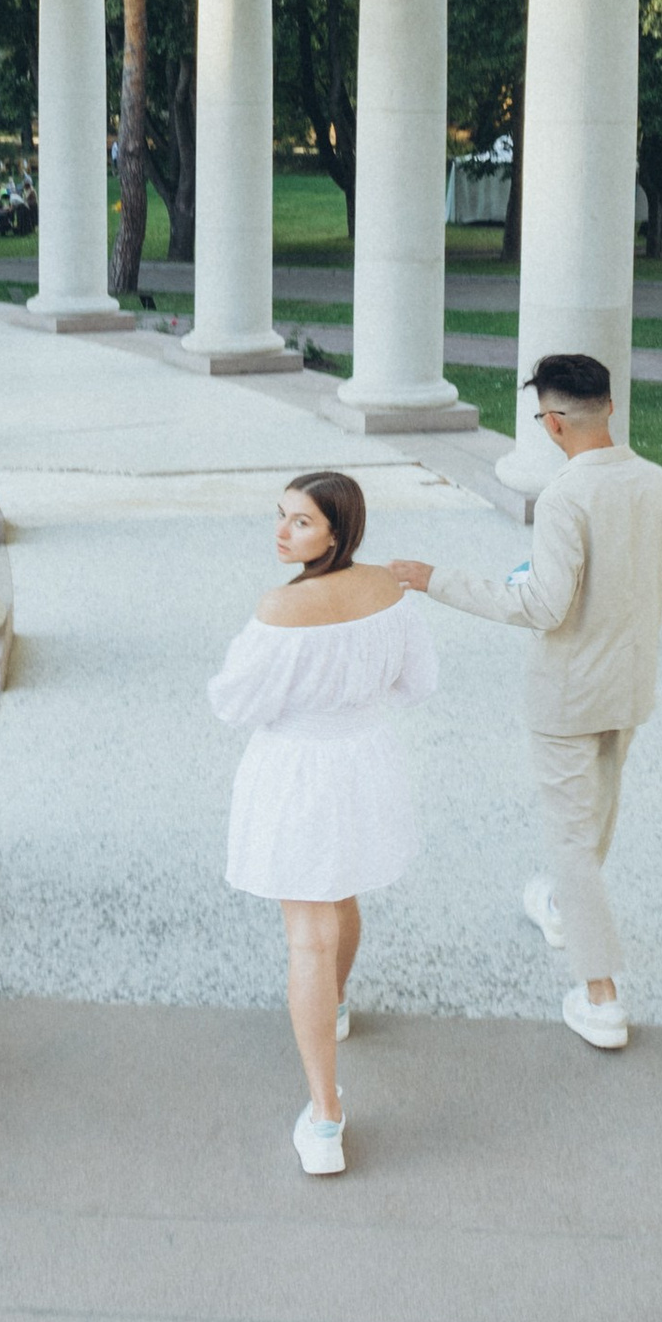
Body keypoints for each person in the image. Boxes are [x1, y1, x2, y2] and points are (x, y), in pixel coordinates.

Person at [390, 353, 662, 1051]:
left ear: (552, 423)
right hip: (630, 683)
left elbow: (545, 606)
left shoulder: (564, 497)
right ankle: (560, 906)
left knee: (571, 842)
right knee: (594, 826)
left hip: (567, 693)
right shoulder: (660, 484)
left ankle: (601, 995)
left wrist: (438, 580)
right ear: (608, 406)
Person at [208, 470, 437, 1175]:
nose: (281, 532)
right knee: (344, 893)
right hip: (365, 761)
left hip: (300, 770)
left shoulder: (281, 608)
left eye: (300, 522)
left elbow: (233, 703)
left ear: (338, 530)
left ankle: (326, 1116)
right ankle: (334, 1007)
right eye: (280, 516)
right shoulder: (387, 591)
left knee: (308, 935)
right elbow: (419, 683)